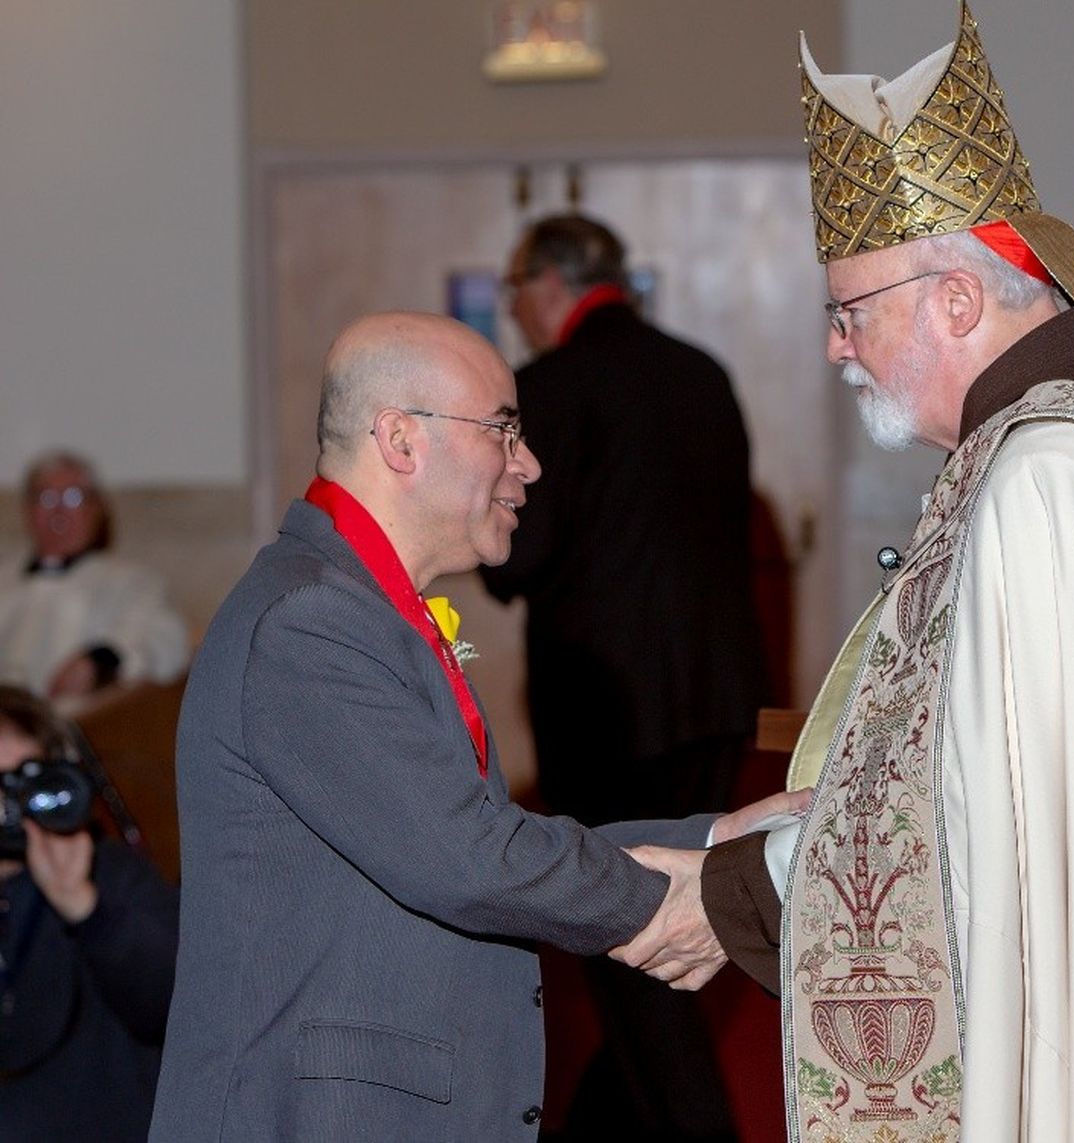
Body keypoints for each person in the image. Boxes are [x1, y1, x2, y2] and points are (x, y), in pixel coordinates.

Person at [618, 5, 1074, 1138]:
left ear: (957, 299)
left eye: (851, 313)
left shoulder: (1046, 483)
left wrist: (736, 890)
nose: (834, 347)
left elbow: (960, 819)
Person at [150, 312, 795, 1140]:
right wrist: (667, 906)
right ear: (401, 441)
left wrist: (712, 838)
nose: (528, 463)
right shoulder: (309, 621)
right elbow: (466, 857)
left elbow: (471, 833)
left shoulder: (360, 606)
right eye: (503, 428)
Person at [483, 213, 765, 1140]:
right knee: (668, 920)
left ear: (551, 283)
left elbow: (516, 562)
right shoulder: (701, 371)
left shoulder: (549, 386)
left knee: (633, 942)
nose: (511, 308)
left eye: (513, 287)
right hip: (717, 697)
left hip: (605, 706)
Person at [0, 685, 179, 1142]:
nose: (13, 808)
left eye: (27, 780)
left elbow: (175, 1000)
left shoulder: (109, 874)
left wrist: (84, 907)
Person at [0, 451, 188, 699]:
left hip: (81, 723)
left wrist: (99, 662)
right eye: (45, 498)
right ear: (26, 510)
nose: (59, 510)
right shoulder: (5, 578)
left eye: (73, 497)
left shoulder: (131, 582)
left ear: (96, 509)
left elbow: (166, 642)